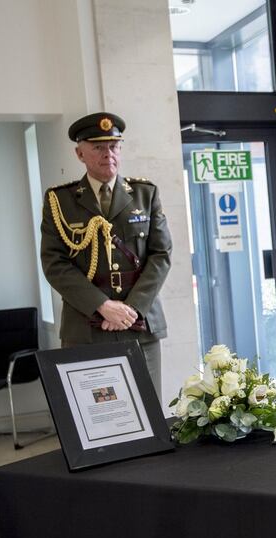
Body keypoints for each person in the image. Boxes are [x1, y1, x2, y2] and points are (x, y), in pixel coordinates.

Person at [40, 112, 171, 390]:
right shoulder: (60, 201)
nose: (107, 154)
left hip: (138, 323)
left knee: (148, 412)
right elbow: (54, 263)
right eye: (98, 147)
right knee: (96, 418)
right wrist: (102, 306)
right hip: (86, 326)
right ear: (80, 153)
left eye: (113, 146)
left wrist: (131, 309)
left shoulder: (145, 194)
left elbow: (161, 255)